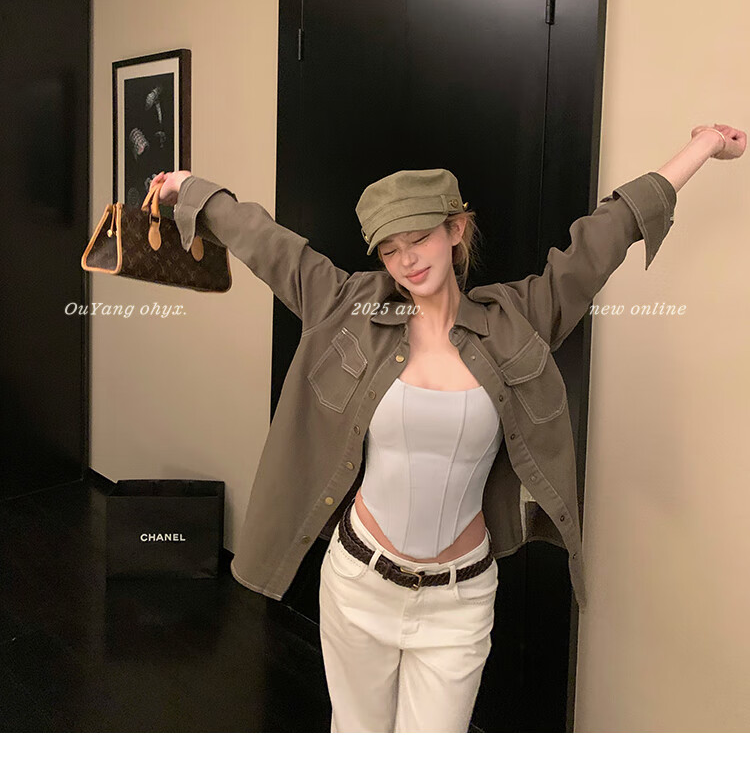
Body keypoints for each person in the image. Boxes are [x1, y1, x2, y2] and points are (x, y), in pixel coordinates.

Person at [150, 122, 745, 732]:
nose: (407, 260)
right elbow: (267, 243)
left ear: (456, 230)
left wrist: (701, 146)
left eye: (419, 239)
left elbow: (605, 236)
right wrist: (191, 189)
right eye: (390, 249)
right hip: (359, 583)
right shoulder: (349, 307)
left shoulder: (520, 318)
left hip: (459, 601)